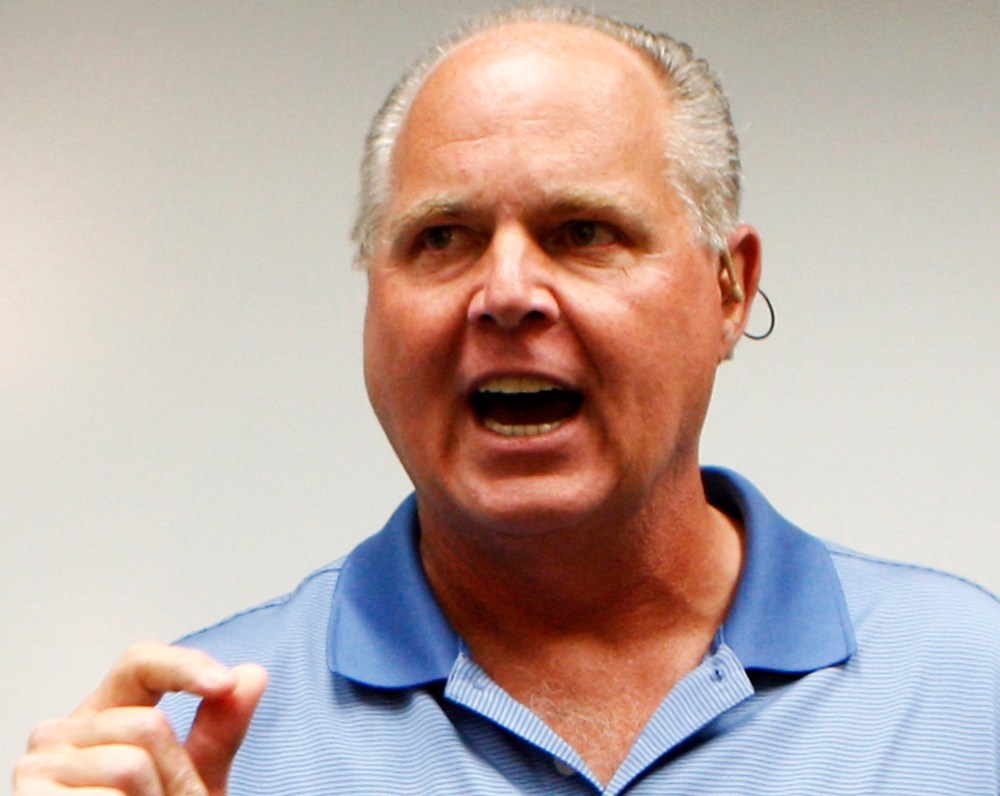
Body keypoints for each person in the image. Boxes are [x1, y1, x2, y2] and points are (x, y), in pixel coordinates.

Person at [14, 6, 1000, 795]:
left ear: (726, 289)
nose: (507, 293)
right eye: (442, 237)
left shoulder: (968, 684)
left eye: (582, 230)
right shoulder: (189, 741)